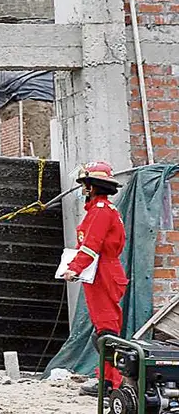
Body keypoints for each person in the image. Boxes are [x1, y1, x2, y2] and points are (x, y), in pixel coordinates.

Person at [64, 162, 128, 398]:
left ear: (92, 187)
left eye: (85, 184)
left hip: (103, 273)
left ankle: (113, 383)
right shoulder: (103, 209)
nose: (83, 189)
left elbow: (91, 246)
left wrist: (74, 268)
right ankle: (107, 380)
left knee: (106, 334)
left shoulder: (100, 211)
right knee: (105, 331)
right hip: (102, 271)